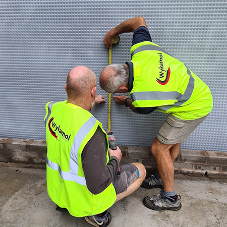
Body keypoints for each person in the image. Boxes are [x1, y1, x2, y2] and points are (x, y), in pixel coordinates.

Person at [100, 17, 213, 211]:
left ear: (123, 87)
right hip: (195, 94)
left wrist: (126, 101)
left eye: (117, 92)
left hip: (193, 107)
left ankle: (170, 198)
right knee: (172, 140)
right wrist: (113, 32)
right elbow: (138, 21)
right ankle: (162, 176)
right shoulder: (141, 50)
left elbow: (137, 107)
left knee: (158, 148)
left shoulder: (142, 98)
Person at [44, 66, 146, 227]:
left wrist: (90, 101)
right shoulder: (91, 133)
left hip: (59, 192)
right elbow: (98, 184)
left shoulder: (53, 111)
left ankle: (64, 204)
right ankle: (97, 213)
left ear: (66, 89)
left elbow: (70, 109)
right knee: (141, 169)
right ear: (92, 91)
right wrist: (115, 159)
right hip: (86, 198)